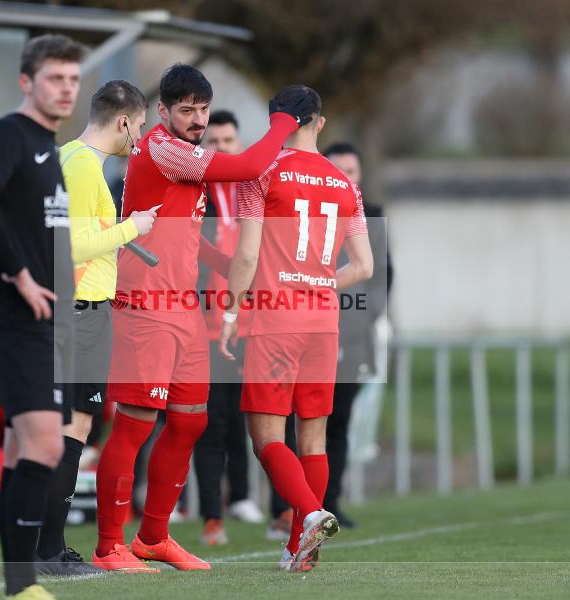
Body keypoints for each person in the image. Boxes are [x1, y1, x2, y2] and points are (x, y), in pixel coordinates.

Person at [93, 63, 314, 573]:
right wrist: (282, 122)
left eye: (202, 109)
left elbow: (187, 241)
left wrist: (240, 270)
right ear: (163, 112)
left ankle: (152, 538)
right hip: (145, 303)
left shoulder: (184, 154)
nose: (196, 119)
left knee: (191, 422)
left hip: (183, 306)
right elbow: (246, 167)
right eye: (186, 110)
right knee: (135, 425)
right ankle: (109, 547)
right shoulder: (165, 149)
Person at [218, 85, 374, 573]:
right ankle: (299, 552)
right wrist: (320, 281)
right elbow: (364, 265)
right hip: (324, 321)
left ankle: (309, 513)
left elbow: (246, 253)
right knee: (313, 437)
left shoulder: (261, 170)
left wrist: (229, 312)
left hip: (276, 320)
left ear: (275, 122)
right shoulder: (346, 184)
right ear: (320, 124)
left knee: (265, 435)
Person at [0, 34, 93, 599]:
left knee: (25, 449)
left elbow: (45, 230)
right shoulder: (8, 135)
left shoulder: (49, 146)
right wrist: (18, 273)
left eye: (72, 79)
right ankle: (23, 586)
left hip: (50, 318)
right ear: (27, 82)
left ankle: (21, 582)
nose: (66, 89)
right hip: (14, 314)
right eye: (55, 79)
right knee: (48, 444)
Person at [32, 79, 154, 575]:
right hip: (82, 308)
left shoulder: (72, 158)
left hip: (77, 309)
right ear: (123, 121)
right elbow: (73, 245)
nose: (140, 139)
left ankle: (46, 547)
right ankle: (49, 550)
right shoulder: (83, 165)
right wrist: (132, 228)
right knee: (76, 427)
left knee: (70, 426)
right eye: (140, 127)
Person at [194, 109, 263, 547]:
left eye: (227, 142)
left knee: (265, 420)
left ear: (239, 145)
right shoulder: (197, 193)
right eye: (212, 143)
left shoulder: (255, 190)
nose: (220, 149)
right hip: (207, 328)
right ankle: (211, 516)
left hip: (257, 327)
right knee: (211, 422)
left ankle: (270, 508)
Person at [322, 142, 393, 528]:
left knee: (340, 420)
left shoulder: (373, 217)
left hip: (351, 334)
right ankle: (291, 508)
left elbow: (383, 274)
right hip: (310, 328)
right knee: (297, 421)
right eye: (338, 170)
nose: (345, 177)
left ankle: (331, 502)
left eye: (351, 170)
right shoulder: (309, 214)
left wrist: (368, 317)